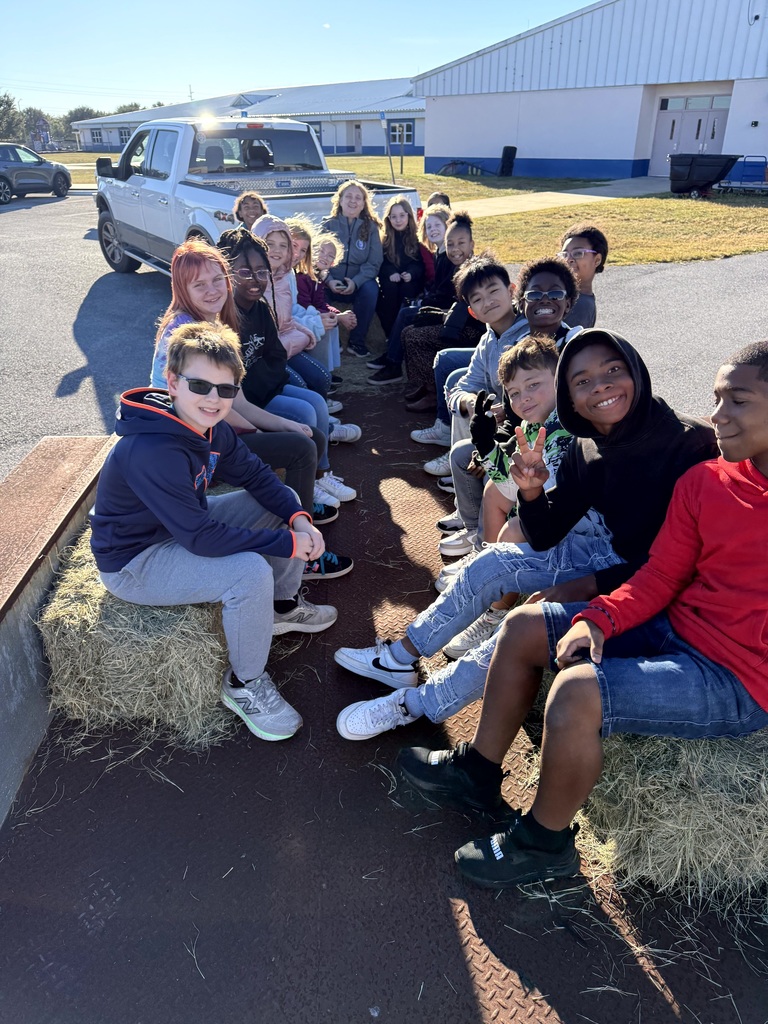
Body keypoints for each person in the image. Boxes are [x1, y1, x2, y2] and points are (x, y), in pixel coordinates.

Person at [395, 340, 768, 889]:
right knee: (523, 627)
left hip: (736, 677)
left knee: (575, 693)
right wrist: (598, 618)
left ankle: (544, 845)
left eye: (737, 400)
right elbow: (661, 574)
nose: (717, 414)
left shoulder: (688, 450)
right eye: (716, 398)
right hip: (672, 627)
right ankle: (478, 771)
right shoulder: (706, 479)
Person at [333, 329, 717, 742]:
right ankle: (401, 656)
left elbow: (687, 559)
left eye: (613, 370)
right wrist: (532, 492)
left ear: (636, 370)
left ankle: (420, 704)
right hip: (599, 547)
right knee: (490, 563)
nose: (600, 386)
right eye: (583, 381)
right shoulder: (584, 445)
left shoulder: (689, 444)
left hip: (645, 580)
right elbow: (546, 532)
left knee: (520, 624)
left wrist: (584, 586)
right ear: (570, 394)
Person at [91, 322, 337, 742]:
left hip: (177, 528)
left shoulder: (211, 426)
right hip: (135, 561)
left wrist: (298, 518)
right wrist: (288, 543)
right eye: (201, 385)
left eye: (225, 390)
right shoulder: (151, 450)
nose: (213, 399)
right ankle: (245, 684)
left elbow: (258, 477)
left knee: (279, 502)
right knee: (247, 572)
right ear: (172, 382)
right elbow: (201, 538)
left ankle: (282, 607)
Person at [439, 336, 578, 657]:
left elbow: (537, 489)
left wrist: (501, 464)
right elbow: (511, 481)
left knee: (515, 526)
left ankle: (497, 609)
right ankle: (488, 570)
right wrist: (488, 447)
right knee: (492, 492)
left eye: (533, 385)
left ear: (560, 380)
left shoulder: (567, 427)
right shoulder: (533, 428)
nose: (523, 398)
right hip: (548, 511)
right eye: (514, 393)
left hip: (571, 527)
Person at [216, 227, 359, 538]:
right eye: (245, 272)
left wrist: (267, 378)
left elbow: (276, 354)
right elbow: (238, 387)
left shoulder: (261, 308)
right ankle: (305, 485)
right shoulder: (225, 316)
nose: (255, 280)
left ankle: (321, 475)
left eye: (261, 272)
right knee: (304, 415)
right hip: (251, 402)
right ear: (227, 272)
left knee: (317, 401)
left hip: (267, 387)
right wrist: (263, 381)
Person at [437, 256, 578, 554]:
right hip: (523, 434)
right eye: (478, 298)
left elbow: (523, 416)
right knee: (470, 446)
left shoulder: (566, 344)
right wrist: (485, 433)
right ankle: (476, 537)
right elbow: (489, 400)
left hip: (545, 458)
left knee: (501, 496)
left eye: (554, 294)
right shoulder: (490, 340)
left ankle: (482, 543)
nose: (488, 302)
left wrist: (494, 439)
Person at [367, 204, 453, 388]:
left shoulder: (450, 253)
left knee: (406, 312)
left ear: (448, 226)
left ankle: (393, 364)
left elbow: (446, 291)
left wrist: (425, 299)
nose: (433, 230)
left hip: (448, 310)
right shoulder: (439, 252)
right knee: (400, 306)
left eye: (437, 225)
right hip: (439, 303)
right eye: (429, 227)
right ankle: (392, 357)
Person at [150, 239, 238, 388]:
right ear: (183, 290)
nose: (212, 291)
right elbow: (218, 402)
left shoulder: (209, 321)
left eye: (217, 279)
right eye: (199, 285)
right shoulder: (187, 334)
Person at [321, 181, 383, 358]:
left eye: (358, 197)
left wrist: (356, 283)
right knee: (316, 289)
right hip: (332, 281)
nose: (353, 201)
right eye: (348, 196)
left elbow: (374, 262)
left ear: (364, 204)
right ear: (339, 200)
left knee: (371, 288)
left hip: (357, 283)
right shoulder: (328, 225)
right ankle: (334, 340)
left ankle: (357, 342)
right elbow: (318, 260)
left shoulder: (370, 228)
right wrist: (329, 280)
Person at [376, 196, 429, 338]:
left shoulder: (416, 237)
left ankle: (404, 331)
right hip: (390, 278)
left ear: (409, 216)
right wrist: (391, 272)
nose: (398, 220)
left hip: (411, 279)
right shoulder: (386, 238)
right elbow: (382, 262)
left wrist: (411, 273)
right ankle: (390, 332)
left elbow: (419, 263)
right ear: (388, 219)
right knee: (389, 292)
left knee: (407, 290)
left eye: (401, 216)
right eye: (393, 217)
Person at [557, 224, 609, 330]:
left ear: (597, 260)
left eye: (578, 253)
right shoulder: (559, 294)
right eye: (565, 254)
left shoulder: (580, 305)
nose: (569, 259)